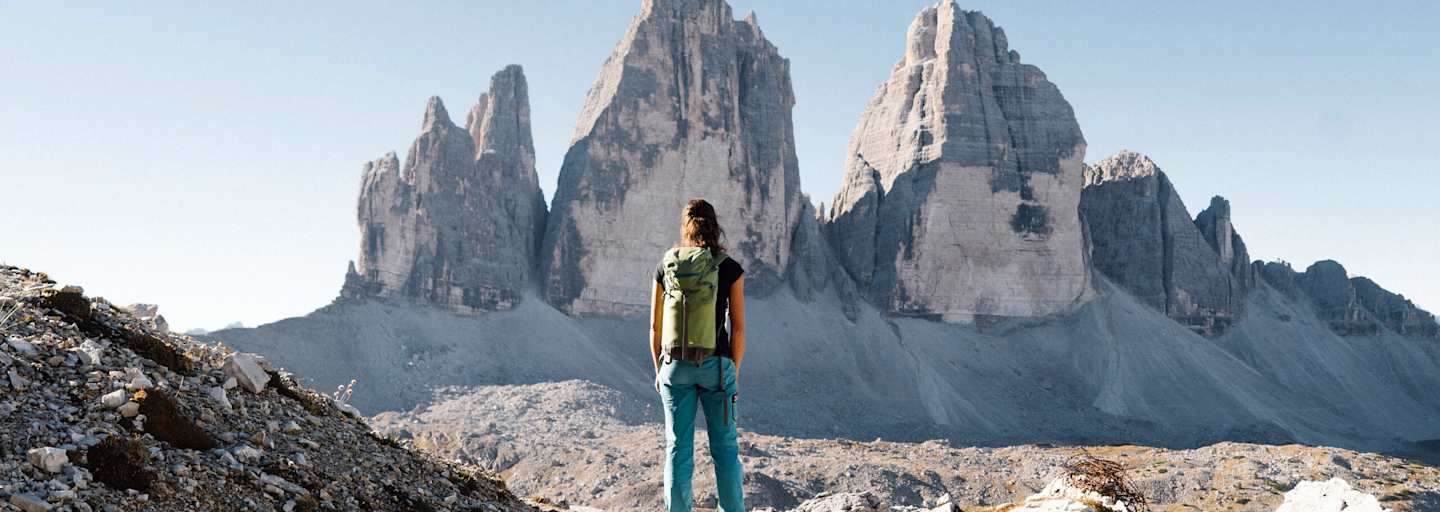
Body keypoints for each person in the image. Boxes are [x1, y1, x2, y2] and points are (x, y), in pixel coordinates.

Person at [650, 198, 746, 512]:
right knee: (725, 449)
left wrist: (659, 371)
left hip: (674, 368)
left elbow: (654, 327)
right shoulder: (728, 267)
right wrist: (734, 371)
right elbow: (740, 329)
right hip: (717, 368)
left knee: (678, 448)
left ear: (686, 227)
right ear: (715, 226)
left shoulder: (667, 264)